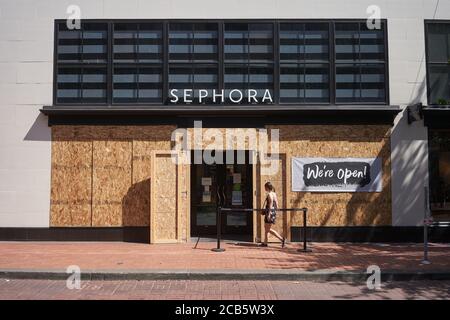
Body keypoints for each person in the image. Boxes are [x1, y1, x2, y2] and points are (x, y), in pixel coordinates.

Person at [261, 181, 286, 248]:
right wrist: (275, 211)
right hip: (273, 212)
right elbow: (277, 204)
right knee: (266, 228)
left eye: (265, 187)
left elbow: (271, 203)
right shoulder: (274, 194)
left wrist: (269, 214)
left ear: (267, 187)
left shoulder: (269, 194)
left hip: (269, 212)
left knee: (267, 229)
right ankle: (265, 242)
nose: (264, 188)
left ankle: (281, 239)